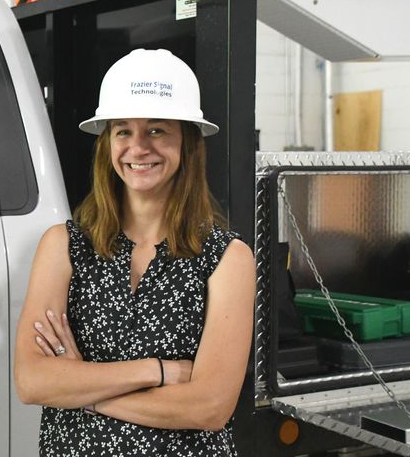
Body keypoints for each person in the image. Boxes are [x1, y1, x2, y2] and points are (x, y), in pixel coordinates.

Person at [14, 48, 255, 456]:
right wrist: (158, 371)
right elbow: (32, 382)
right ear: (108, 142)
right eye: (123, 130)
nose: (138, 148)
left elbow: (210, 407)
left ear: (187, 143)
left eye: (157, 130)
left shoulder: (228, 258)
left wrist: (82, 390)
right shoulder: (63, 246)